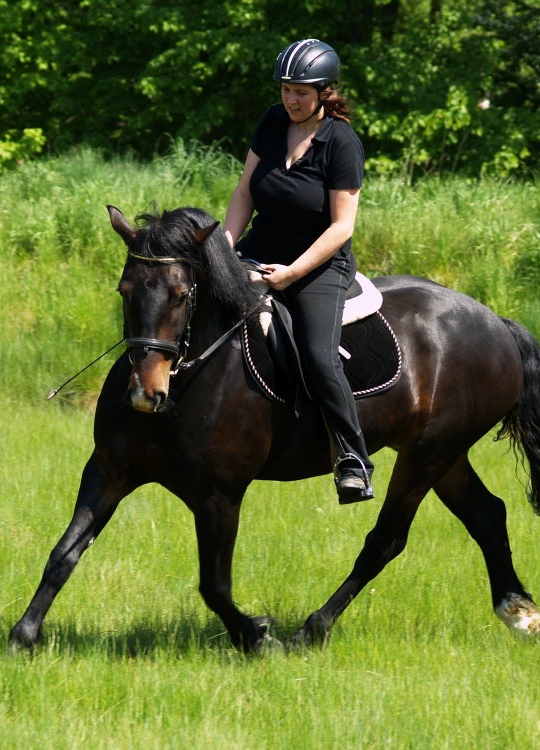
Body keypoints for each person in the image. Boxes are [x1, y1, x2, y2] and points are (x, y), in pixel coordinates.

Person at [223, 38, 374, 504]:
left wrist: (290, 274)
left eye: (302, 92)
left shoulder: (342, 143)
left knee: (318, 355)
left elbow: (341, 227)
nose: (291, 99)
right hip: (258, 248)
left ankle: (353, 460)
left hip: (317, 266)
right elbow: (246, 192)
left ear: (325, 92)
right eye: (287, 89)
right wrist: (225, 250)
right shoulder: (272, 122)